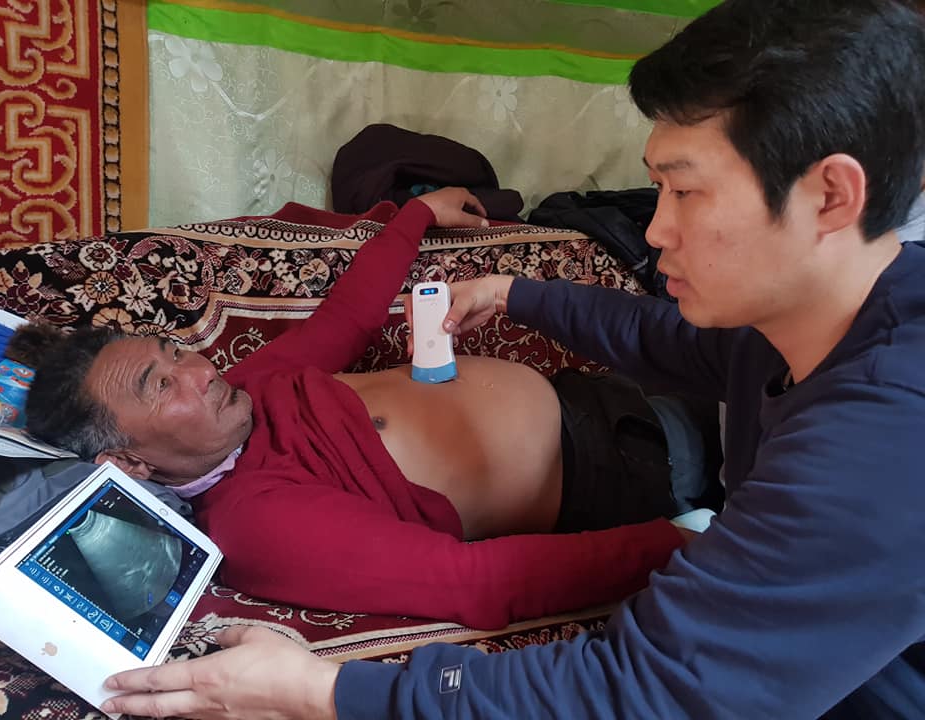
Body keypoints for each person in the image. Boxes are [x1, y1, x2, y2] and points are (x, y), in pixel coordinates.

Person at [99, 0, 925, 718]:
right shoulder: (821, 318)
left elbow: (644, 694)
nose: (655, 229)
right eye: (657, 190)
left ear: (831, 196)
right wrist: (518, 293)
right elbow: (674, 345)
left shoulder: (877, 443)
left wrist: (322, 692)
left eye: (685, 190)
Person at [11, 185, 717, 631]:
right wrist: (676, 549)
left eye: (175, 354)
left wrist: (415, 215)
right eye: (160, 387)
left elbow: (345, 319)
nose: (199, 371)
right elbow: (469, 582)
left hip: (611, 397)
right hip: (631, 475)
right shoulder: (255, 522)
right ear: (128, 462)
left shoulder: (247, 391)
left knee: (760, 378)